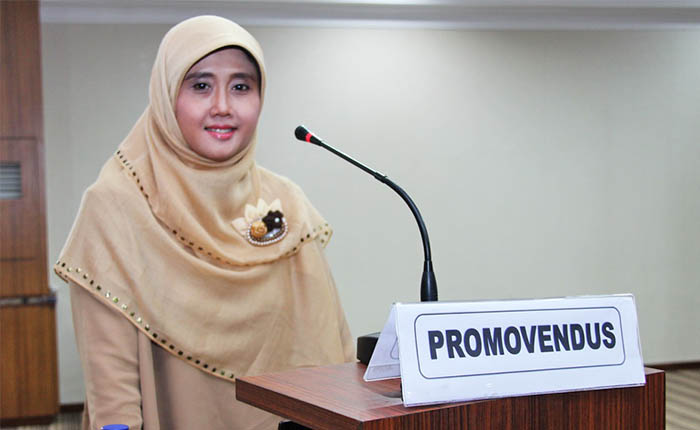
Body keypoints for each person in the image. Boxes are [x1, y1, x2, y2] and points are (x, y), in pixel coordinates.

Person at [55, 16, 354, 430]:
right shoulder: (116, 206)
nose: (223, 107)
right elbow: (112, 389)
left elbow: (331, 344)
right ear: (166, 96)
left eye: (241, 87)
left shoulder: (286, 203)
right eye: (200, 86)